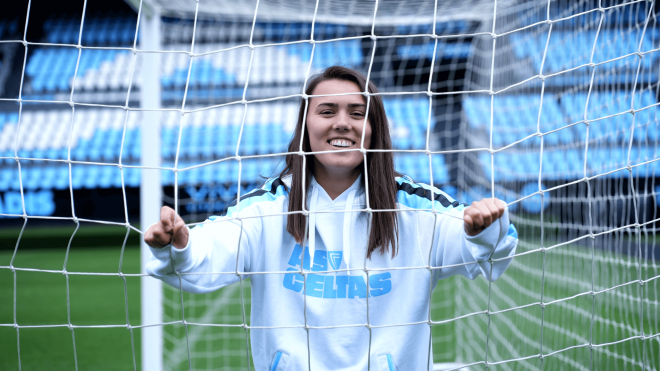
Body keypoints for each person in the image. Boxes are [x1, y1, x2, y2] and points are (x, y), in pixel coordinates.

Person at [145, 66, 518, 370]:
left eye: (357, 113)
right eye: (327, 111)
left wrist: (483, 231)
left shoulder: (415, 207)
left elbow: (487, 254)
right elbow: (207, 253)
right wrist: (180, 246)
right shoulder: (268, 207)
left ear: (374, 130)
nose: (343, 123)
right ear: (305, 127)